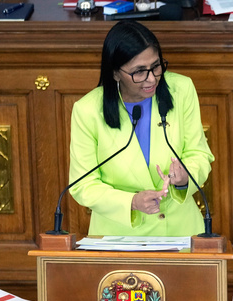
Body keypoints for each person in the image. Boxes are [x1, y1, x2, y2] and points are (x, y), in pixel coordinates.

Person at [68, 21, 214, 236]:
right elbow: (83, 185)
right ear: (116, 73)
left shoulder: (181, 90)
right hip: (118, 236)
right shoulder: (87, 111)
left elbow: (199, 154)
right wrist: (132, 202)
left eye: (156, 66)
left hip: (181, 232)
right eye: (139, 72)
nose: (151, 78)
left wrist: (184, 178)